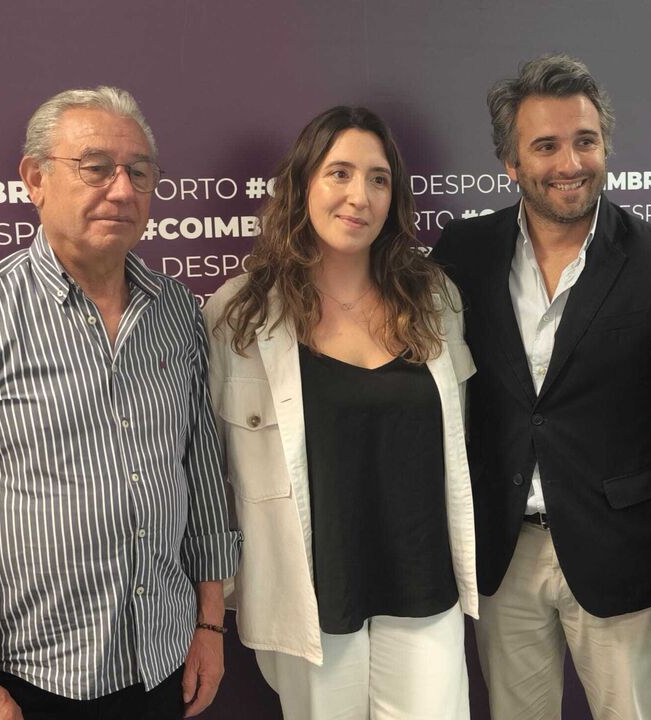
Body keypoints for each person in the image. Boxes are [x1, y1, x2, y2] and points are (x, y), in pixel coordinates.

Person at [0, 86, 241, 720]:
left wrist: (210, 625)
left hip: (164, 657)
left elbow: (203, 479)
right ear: (35, 179)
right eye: (96, 167)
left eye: (139, 172)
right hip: (31, 678)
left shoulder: (178, 313)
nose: (122, 190)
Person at [431, 54, 651, 719]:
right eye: (545, 146)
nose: (570, 161)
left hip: (622, 558)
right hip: (502, 556)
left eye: (585, 141)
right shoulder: (464, 253)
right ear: (510, 163)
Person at [203, 106, 478, 719]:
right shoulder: (238, 316)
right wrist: (214, 602)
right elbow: (206, 472)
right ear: (303, 185)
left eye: (379, 179)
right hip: (312, 598)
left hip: (425, 588)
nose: (360, 196)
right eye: (340, 173)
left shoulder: (434, 299)